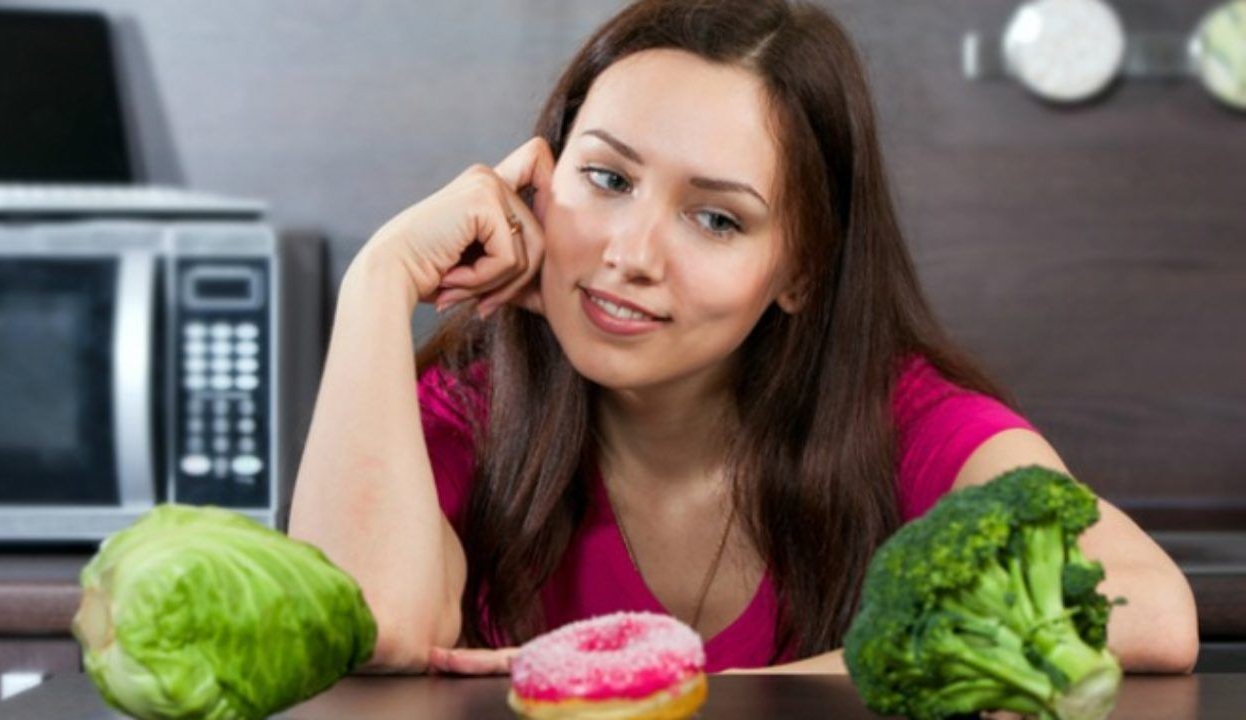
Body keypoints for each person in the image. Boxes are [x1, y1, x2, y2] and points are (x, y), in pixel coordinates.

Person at [288, 0, 1198, 676]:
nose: (630, 254)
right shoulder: (472, 413)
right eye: (605, 177)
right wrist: (378, 281)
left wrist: (697, 687)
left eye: (717, 220)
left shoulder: (902, 420)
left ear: (799, 271)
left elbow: (1148, 607)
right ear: (538, 178)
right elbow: (371, 624)